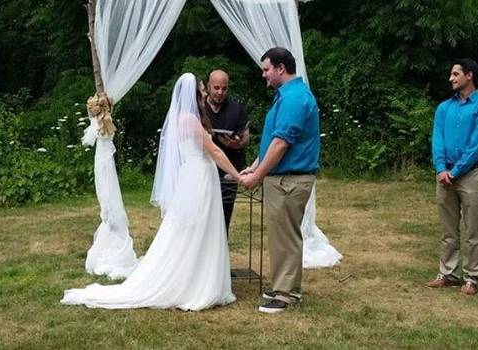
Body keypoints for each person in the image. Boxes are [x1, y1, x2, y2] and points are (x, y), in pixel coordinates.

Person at [61, 73, 240, 311]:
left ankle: (201, 278)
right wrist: (238, 175)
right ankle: (193, 284)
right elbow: (215, 152)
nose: (206, 93)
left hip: (200, 176)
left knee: (201, 229)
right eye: (202, 90)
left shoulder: (188, 118)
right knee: (192, 231)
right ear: (194, 94)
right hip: (198, 178)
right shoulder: (188, 119)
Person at [241, 47, 320, 313]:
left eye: (266, 69)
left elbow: (281, 143)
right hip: (282, 178)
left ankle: (286, 294)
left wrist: (258, 176)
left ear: (280, 68)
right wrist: (253, 167)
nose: (263, 74)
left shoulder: (294, 98)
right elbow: (271, 142)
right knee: (280, 235)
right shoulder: (286, 96)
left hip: (289, 179)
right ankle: (282, 286)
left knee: (285, 236)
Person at [425, 58, 478, 296]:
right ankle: (448, 273)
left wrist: (455, 172)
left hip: (470, 175)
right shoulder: (444, 108)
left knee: (473, 228)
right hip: (445, 174)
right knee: (448, 230)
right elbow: (438, 140)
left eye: (455, 74)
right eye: (451, 74)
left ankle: (472, 277)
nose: (451, 78)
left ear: (469, 76)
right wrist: (441, 168)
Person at [205, 69, 250, 235]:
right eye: (216, 88)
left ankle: (221, 247)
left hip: (229, 168)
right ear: (209, 86)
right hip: (204, 169)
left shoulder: (236, 109)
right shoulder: (199, 107)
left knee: (224, 213)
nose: (220, 92)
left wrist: (236, 144)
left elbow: (246, 137)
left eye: (224, 88)